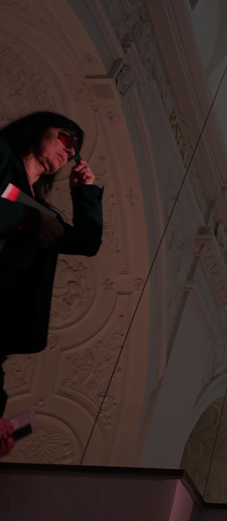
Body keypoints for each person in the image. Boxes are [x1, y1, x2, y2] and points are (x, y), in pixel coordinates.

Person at [0, 112, 103, 421]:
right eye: (66, 138)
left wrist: (83, 192)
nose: (70, 151)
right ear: (38, 127)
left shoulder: (46, 214)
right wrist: (30, 222)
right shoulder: (2, 156)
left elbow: (87, 242)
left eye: (75, 150)